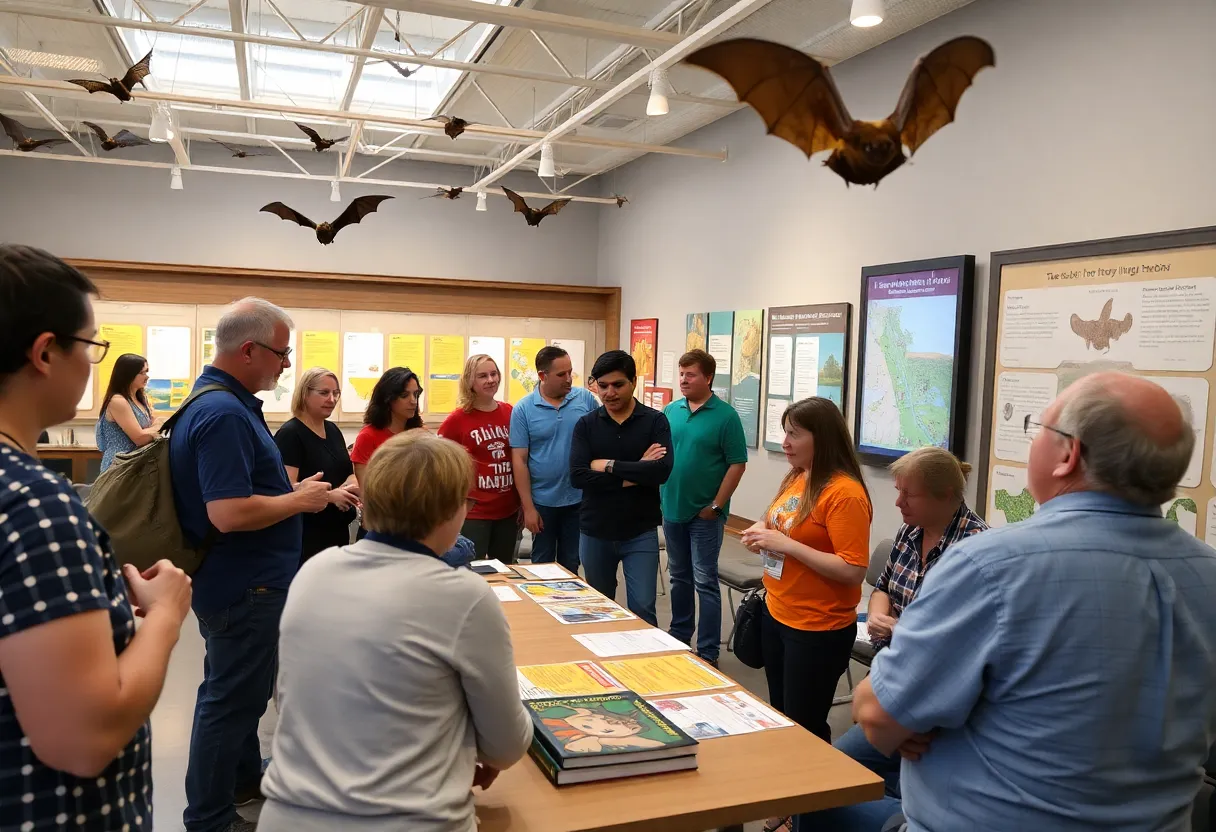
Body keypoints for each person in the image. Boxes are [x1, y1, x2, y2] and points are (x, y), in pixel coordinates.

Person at [850, 372, 1216, 832]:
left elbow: (878, 717)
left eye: (1037, 428)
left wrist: (899, 711)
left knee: (816, 795)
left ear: (1069, 454)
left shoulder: (989, 566)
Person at [0, 244, 192, 830]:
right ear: (45, 352)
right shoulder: (36, 502)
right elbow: (84, 738)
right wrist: (163, 617)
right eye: (90, 345)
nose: (92, 362)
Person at [258, 431, 534, 832]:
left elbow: (295, 699)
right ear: (451, 511)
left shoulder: (314, 573)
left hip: (289, 815)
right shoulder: (464, 596)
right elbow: (507, 746)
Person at [170, 297, 331, 832]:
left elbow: (242, 491)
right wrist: (297, 502)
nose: (286, 365)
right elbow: (228, 512)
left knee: (239, 695)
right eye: (281, 355)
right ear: (249, 350)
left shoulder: (220, 403)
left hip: (242, 582)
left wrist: (289, 491)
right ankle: (211, 818)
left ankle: (240, 780)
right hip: (246, 586)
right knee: (228, 703)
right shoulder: (222, 413)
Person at [795, 447, 985, 832]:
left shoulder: (976, 551)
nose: (897, 502)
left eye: (907, 494)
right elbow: (882, 586)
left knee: (822, 793)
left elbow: (964, 644)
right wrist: (881, 613)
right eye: (898, 490)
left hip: (936, 698)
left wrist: (901, 630)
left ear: (945, 495)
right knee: (823, 776)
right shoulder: (911, 530)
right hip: (895, 682)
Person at [740, 397, 871, 744]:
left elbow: (853, 569)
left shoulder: (845, 494)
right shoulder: (799, 475)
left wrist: (786, 545)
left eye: (794, 435)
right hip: (777, 610)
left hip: (816, 627)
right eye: (785, 433)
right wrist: (760, 529)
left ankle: (816, 795)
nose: (785, 443)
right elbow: (779, 519)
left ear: (822, 438)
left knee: (806, 727)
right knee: (782, 716)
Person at [570, 350, 673, 626]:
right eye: (602, 386)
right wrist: (638, 469)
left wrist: (607, 464)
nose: (609, 393)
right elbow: (578, 476)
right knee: (600, 610)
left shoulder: (655, 422)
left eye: (618, 385)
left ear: (633, 382)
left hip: (639, 531)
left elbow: (661, 471)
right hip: (596, 531)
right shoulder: (586, 425)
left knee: (643, 608)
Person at [661, 349, 747, 667]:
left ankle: (708, 649)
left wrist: (716, 505)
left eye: (691, 374)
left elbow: (737, 464)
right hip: (672, 507)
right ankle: (679, 636)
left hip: (705, 514)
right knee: (678, 577)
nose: (684, 379)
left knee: (705, 580)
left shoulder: (725, 416)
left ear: (708, 377)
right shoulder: (671, 411)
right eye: (681, 373)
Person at [510, 345, 599, 574]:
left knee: (572, 563)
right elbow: (519, 460)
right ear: (542, 375)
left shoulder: (585, 400)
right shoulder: (523, 409)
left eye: (570, 372)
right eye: (561, 374)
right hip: (543, 503)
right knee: (542, 566)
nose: (569, 379)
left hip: (578, 500)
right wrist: (528, 507)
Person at [274, 367, 360, 566]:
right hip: (307, 535)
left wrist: (349, 487)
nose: (331, 399)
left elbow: (348, 473)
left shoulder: (332, 429)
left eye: (335, 393)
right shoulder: (291, 434)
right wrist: (330, 497)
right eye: (324, 393)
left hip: (336, 531)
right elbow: (287, 489)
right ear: (305, 394)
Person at [438, 354, 520, 562]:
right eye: (482, 376)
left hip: (508, 510)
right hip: (475, 513)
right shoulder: (456, 420)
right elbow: (441, 464)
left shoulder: (510, 412)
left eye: (494, 374)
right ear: (469, 382)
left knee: (506, 571)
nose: (490, 380)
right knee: (471, 570)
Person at [350, 366, 424, 490]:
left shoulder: (421, 434)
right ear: (388, 398)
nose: (413, 401)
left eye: (415, 394)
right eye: (404, 395)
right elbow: (366, 491)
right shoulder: (368, 436)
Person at [96, 352, 162, 471]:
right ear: (128, 375)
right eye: (142, 373)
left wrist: (154, 427)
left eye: (146, 372)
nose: (147, 377)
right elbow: (140, 438)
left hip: (137, 464)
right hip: (119, 467)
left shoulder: (140, 399)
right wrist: (159, 425)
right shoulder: (118, 401)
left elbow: (152, 424)